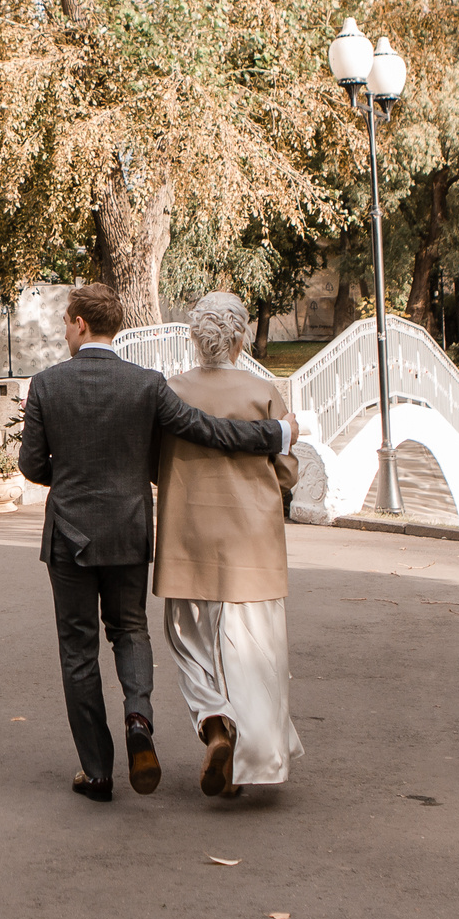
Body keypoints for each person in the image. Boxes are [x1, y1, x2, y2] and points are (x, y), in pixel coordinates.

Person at [17, 283, 290, 802]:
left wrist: (75, 474)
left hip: (69, 538)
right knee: (130, 631)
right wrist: (273, 435)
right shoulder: (146, 384)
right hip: (128, 530)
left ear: (77, 322)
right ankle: (139, 723)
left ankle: (98, 773)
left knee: (78, 650)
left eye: (65, 322)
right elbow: (205, 430)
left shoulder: (47, 385)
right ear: (113, 326)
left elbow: (32, 466)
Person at [155, 292, 301, 798]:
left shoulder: (170, 392)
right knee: (253, 652)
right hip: (252, 543)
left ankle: (216, 723)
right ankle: (252, 758)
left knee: (188, 641)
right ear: (240, 338)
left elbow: (154, 464)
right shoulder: (264, 392)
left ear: (195, 338)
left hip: (187, 536)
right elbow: (285, 472)